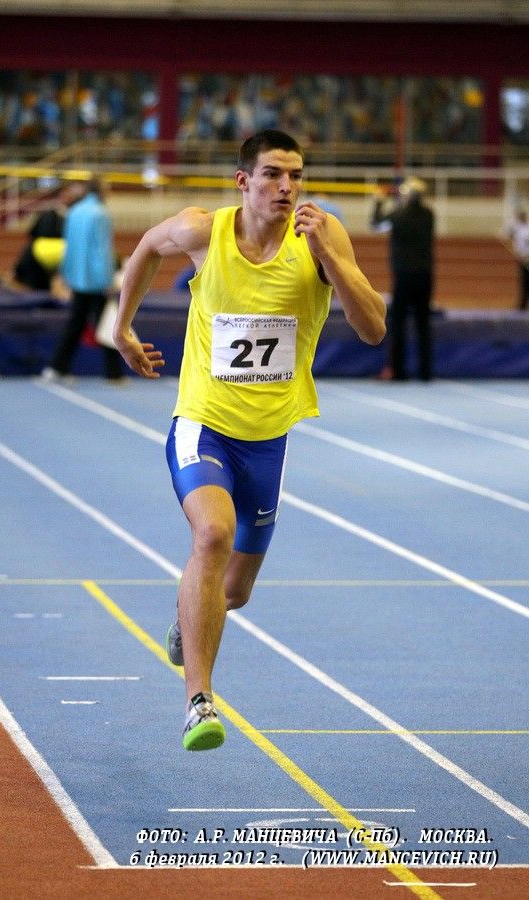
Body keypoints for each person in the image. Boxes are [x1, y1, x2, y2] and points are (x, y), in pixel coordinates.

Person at [114, 129, 386, 752]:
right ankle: (199, 702)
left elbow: (373, 329)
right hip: (202, 422)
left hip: (268, 441)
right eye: (272, 174)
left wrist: (332, 259)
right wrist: (122, 328)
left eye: (296, 175)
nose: (286, 187)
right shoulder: (202, 230)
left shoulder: (323, 236)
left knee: (233, 590)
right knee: (212, 534)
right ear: (244, 181)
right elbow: (147, 248)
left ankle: (189, 616)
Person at [41, 178, 124, 382]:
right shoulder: (100, 213)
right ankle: (114, 373)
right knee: (108, 325)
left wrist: (66, 274)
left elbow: (68, 246)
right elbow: (102, 249)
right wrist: (108, 279)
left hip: (78, 278)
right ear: (101, 191)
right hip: (97, 280)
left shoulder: (74, 211)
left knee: (76, 324)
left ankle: (56, 367)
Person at [371, 177, 435, 381]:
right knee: (423, 323)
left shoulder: (398, 215)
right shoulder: (429, 215)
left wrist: (379, 202)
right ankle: (425, 372)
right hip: (425, 274)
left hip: (403, 275)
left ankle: (398, 371)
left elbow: (376, 225)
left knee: (398, 323)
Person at [506, 208, 529, 311]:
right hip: (523, 259)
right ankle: (522, 305)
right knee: (524, 282)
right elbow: (507, 234)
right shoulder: (517, 228)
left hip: (527, 258)